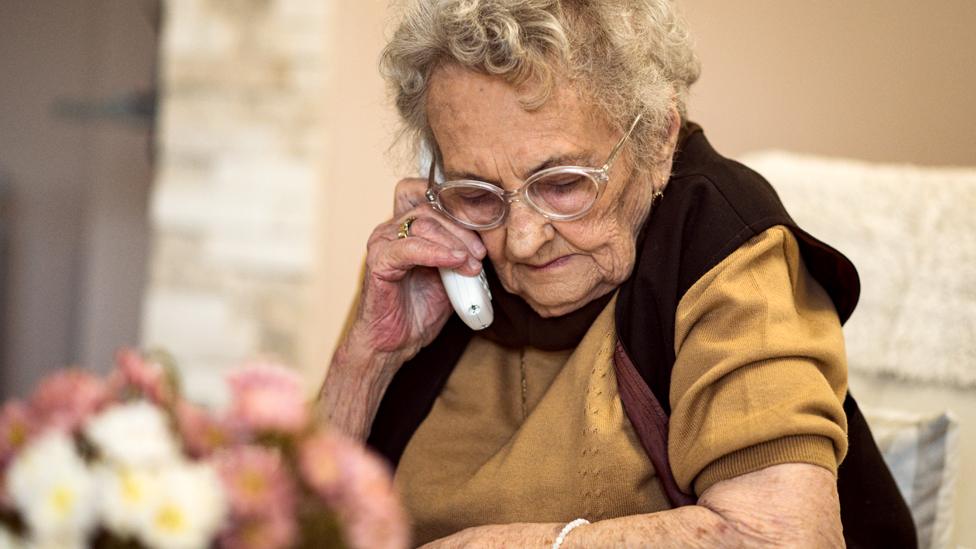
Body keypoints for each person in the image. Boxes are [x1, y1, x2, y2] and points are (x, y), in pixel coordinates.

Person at [320, 1, 914, 547]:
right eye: (478, 190)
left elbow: (781, 537)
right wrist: (368, 356)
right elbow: (276, 524)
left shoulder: (724, 248)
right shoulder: (436, 253)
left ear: (658, 140)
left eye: (563, 184)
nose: (522, 240)